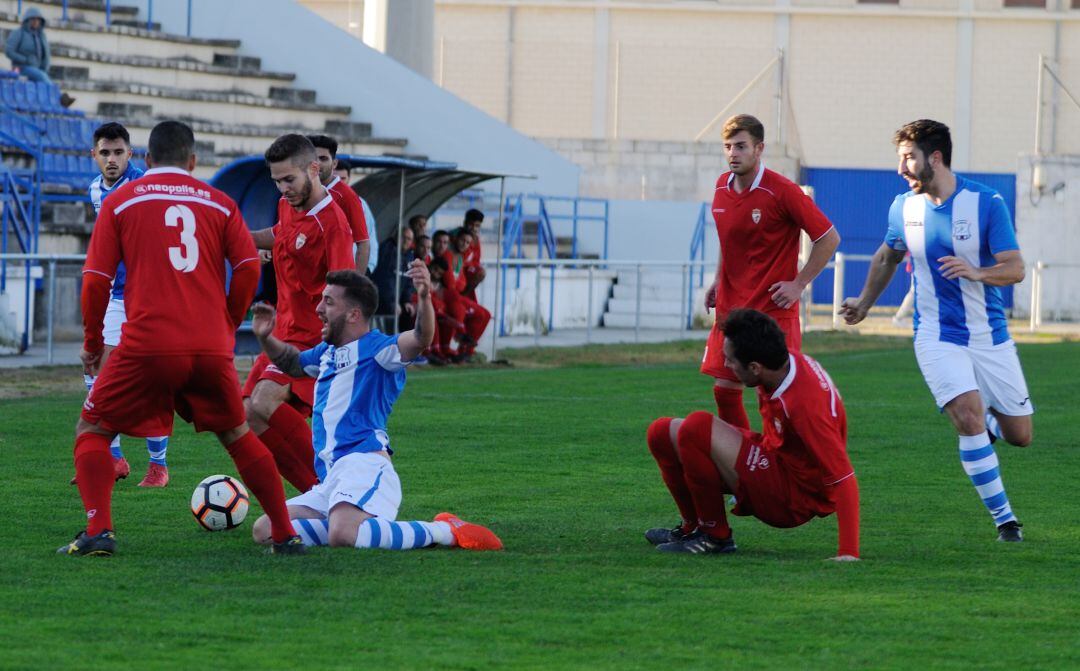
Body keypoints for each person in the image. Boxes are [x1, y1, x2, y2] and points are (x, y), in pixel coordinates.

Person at [59, 120, 303, 556]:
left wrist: (93, 343)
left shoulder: (120, 201)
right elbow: (249, 267)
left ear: (146, 160)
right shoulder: (221, 203)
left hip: (147, 343)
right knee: (238, 435)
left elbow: (95, 280)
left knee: (93, 428)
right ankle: (285, 535)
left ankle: (99, 532)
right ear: (192, 162)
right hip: (209, 345)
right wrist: (226, 323)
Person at [840, 119, 1031, 543]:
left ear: (936, 158)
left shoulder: (986, 202)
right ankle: (1006, 522)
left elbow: (1015, 268)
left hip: (990, 336)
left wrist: (977, 271)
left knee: (1021, 435)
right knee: (966, 415)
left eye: (908, 158)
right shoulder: (903, 208)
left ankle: (987, 427)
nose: (901, 168)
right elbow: (886, 258)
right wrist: (864, 304)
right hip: (936, 336)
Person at [249, 267, 502, 552]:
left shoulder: (379, 350)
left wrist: (424, 297)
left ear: (354, 314)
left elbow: (420, 338)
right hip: (331, 477)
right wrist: (265, 337)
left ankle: (444, 530)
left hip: (365, 464)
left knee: (344, 535)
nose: (319, 308)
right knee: (267, 529)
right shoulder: (326, 352)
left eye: (329, 302)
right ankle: (344, 524)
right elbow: (293, 364)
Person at [645, 309, 860, 559]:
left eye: (731, 360)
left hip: (791, 497)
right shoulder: (779, 364)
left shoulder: (806, 405)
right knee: (660, 432)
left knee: (697, 428)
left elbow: (843, 477)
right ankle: (691, 528)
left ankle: (715, 537)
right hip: (774, 460)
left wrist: (848, 552)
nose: (726, 364)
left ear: (755, 367)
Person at [702, 114, 840, 430]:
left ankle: (779, 463)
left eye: (740, 146)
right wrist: (716, 279)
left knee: (777, 396)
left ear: (759, 148)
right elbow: (729, 237)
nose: (733, 153)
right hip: (731, 311)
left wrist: (799, 284)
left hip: (772, 314)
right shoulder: (721, 187)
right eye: (728, 146)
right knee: (724, 393)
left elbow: (828, 238)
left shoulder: (783, 191)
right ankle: (744, 464)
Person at [244, 134, 355, 494]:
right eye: (276, 180)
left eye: (288, 179)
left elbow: (345, 291)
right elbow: (280, 235)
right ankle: (314, 492)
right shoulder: (287, 206)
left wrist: (339, 350)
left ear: (314, 168)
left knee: (263, 401)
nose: (282, 188)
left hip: (311, 341)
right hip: (282, 334)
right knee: (245, 414)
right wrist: (238, 238)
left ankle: (331, 485)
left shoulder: (333, 224)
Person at [76, 121, 171, 488]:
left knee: (152, 378)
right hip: (118, 294)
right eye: (105, 153)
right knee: (97, 369)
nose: (112, 159)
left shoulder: (145, 186)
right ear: (94, 155)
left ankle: (158, 466)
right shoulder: (95, 190)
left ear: (130, 154)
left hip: (151, 295)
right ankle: (114, 460)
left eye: (118, 152)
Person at [307, 135, 371, 274]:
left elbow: (363, 243)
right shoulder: (299, 190)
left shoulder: (347, 196)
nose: (317, 163)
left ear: (334, 164)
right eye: (313, 158)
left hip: (332, 279)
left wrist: (355, 285)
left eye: (323, 158)